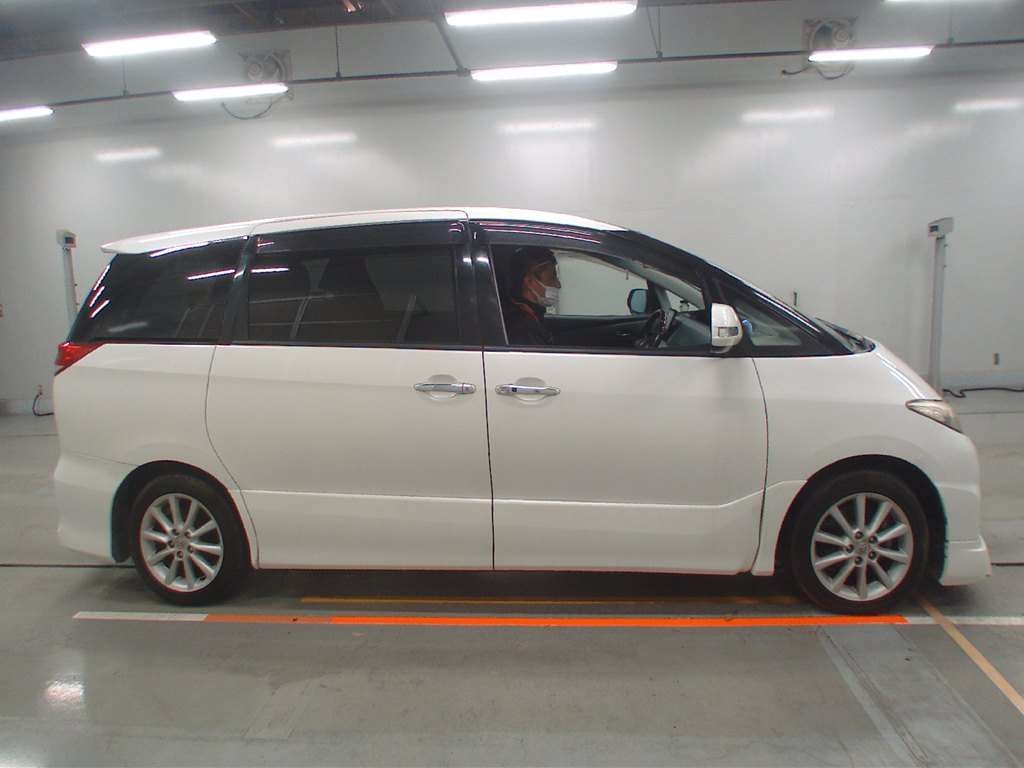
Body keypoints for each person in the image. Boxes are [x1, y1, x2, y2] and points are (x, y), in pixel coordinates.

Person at [503, 247, 560, 345]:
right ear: (529, 282)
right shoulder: (522, 329)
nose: (558, 285)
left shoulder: (530, 315)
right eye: (551, 278)